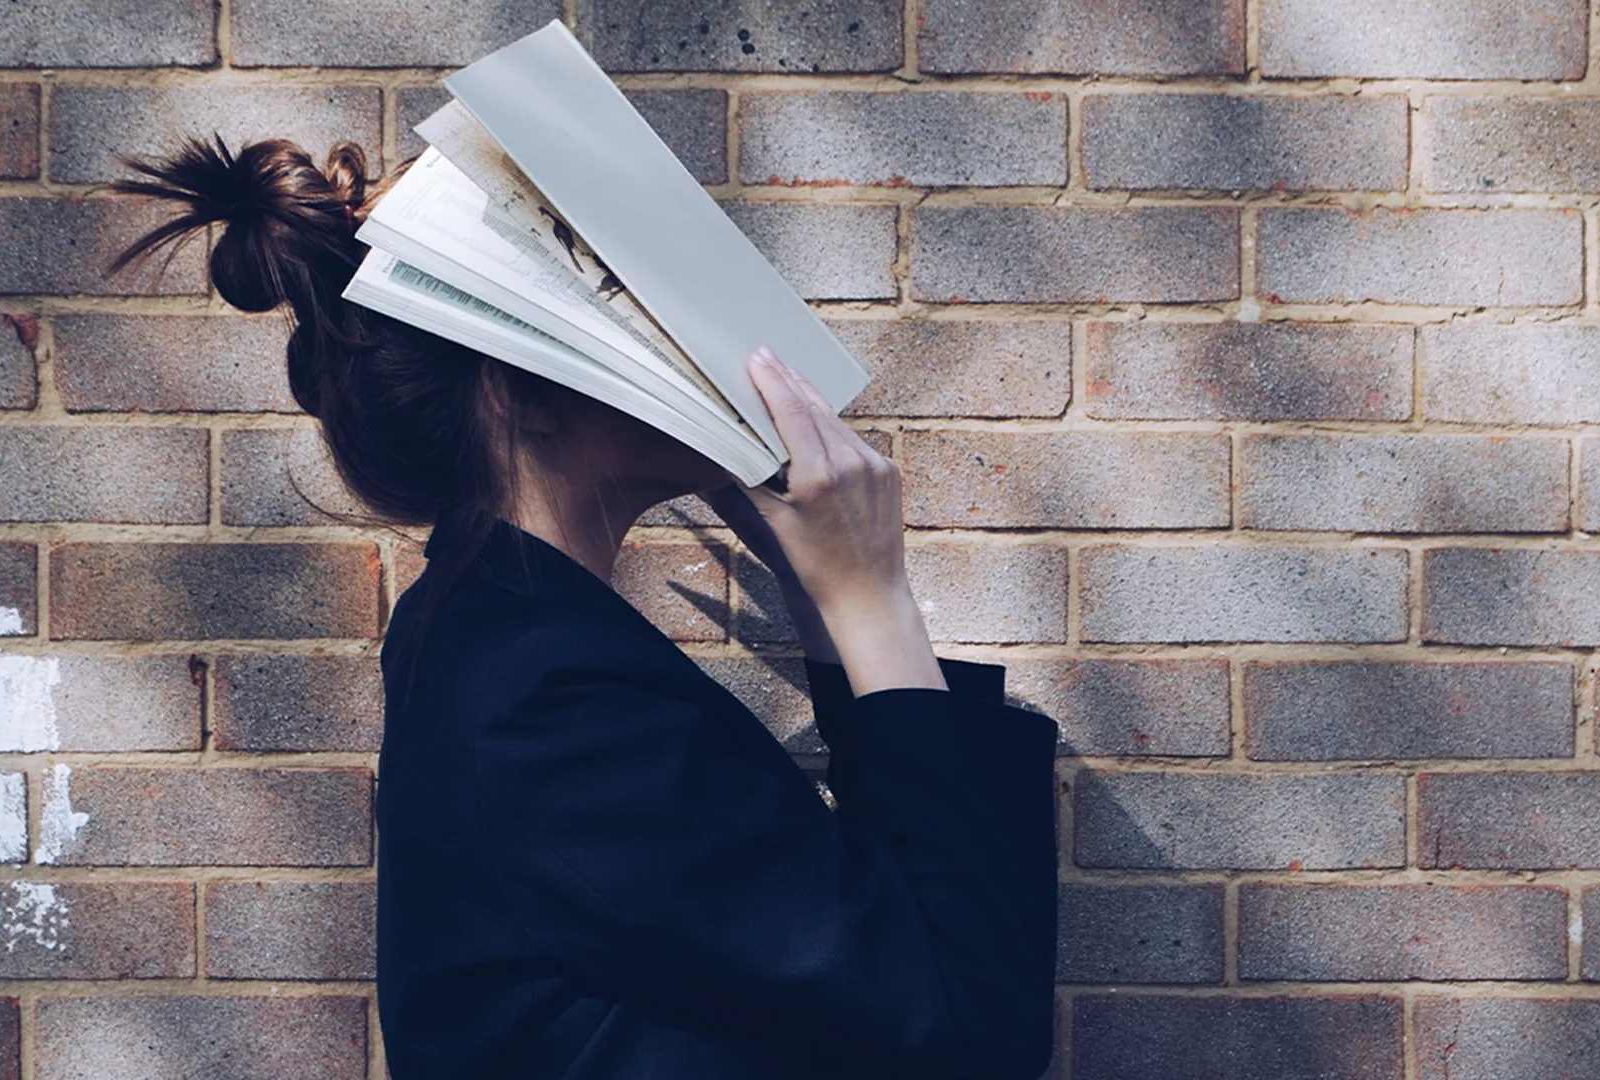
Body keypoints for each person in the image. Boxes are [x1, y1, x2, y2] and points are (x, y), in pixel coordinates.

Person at [107, 135, 1059, 1079]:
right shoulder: (542, 704)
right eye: (624, 308)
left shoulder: (504, 642)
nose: (687, 340)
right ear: (521, 392)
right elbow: (970, 1027)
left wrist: (820, 589)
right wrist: (871, 596)